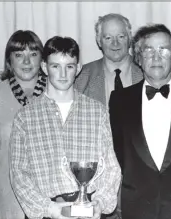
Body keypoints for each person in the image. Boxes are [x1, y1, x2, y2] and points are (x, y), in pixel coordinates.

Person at [10, 36, 121, 219]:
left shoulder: (97, 112)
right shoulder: (25, 117)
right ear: (45, 67)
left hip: (89, 211)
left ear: (78, 68)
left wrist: (99, 203)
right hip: (48, 211)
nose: (63, 74)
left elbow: (111, 166)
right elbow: (19, 173)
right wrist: (49, 209)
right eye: (55, 66)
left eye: (69, 66)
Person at [109, 23, 171, 219]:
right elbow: (118, 153)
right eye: (149, 51)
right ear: (138, 58)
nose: (156, 57)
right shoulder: (119, 100)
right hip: (137, 207)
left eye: (164, 50)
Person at [0, 30, 46, 218]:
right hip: (9, 201)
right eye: (18, 55)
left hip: (51, 201)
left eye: (33, 54)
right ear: (9, 61)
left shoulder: (57, 94)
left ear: (42, 60)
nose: (26, 62)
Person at [75, 13, 143, 106]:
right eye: (108, 38)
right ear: (99, 41)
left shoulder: (145, 71)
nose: (115, 43)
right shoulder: (82, 76)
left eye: (121, 37)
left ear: (130, 38)